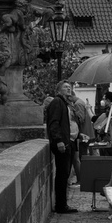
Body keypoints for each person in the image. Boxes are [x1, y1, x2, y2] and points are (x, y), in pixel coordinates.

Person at [45, 80, 77, 214]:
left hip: (66, 142)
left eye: (70, 87)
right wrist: (59, 141)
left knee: (64, 174)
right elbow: (54, 123)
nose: (68, 89)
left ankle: (62, 204)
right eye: (65, 87)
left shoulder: (63, 103)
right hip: (61, 144)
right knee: (62, 174)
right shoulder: (57, 102)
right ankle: (61, 205)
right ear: (58, 90)